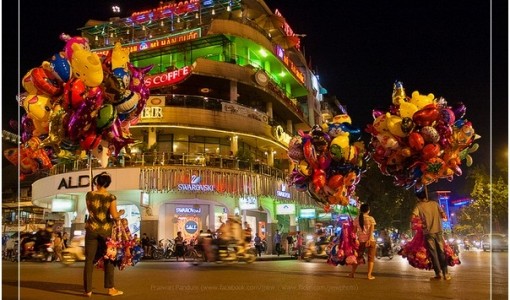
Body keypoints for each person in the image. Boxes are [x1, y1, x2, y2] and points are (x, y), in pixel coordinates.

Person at [83, 172, 125, 297]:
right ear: (107, 184)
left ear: (97, 183)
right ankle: (110, 288)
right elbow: (114, 215)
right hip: (106, 231)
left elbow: (90, 210)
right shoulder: (111, 197)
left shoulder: (89, 195)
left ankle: (88, 290)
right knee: (109, 259)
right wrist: (121, 212)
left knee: (89, 261)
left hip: (91, 229)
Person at [412, 190, 451, 280]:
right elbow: (443, 215)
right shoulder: (435, 203)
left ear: (418, 198)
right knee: (441, 252)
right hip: (439, 231)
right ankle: (446, 274)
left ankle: (438, 274)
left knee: (433, 254)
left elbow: (413, 217)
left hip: (428, 233)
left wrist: (420, 223)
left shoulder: (419, 206)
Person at [350, 203, 376, 280]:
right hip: (371, 241)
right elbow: (371, 231)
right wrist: (369, 239)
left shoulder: (356, 219)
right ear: (368, 210)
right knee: (371, 258)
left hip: (360, 241)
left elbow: (354, 232)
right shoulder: (371, 218)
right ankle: (369, 275)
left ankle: (352, 273)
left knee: (358, 257)